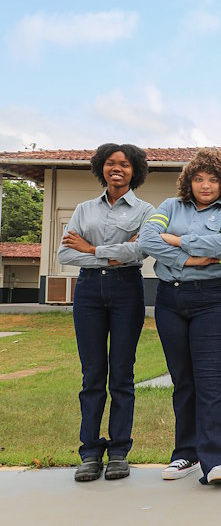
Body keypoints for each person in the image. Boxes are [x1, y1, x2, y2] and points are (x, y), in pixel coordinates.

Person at [139, 149, 221, 485]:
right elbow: (146, 238)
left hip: (213, 300)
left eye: (213, 179)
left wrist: (177, 240)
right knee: (183, 380)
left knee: (210, 381)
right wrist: (190, 259)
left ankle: (215, 461)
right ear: (189, 181)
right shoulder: (169, 207)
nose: (205, 185)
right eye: (199, 178)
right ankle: (185, 453)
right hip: (170, 299)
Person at [59, 143, 154, 482]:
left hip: (127, 290)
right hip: (88, 293)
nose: (117, 169)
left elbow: (139, 250)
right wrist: (110, 254)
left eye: (125, 164)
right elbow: (65, 256)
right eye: (111, 163)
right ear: (101, 168)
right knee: (92, 375)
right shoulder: (84, 210)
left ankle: (118, 453)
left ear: (135, 171)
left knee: (122, 375)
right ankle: (89, 453)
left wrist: (92, 247)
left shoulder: (146, 211)